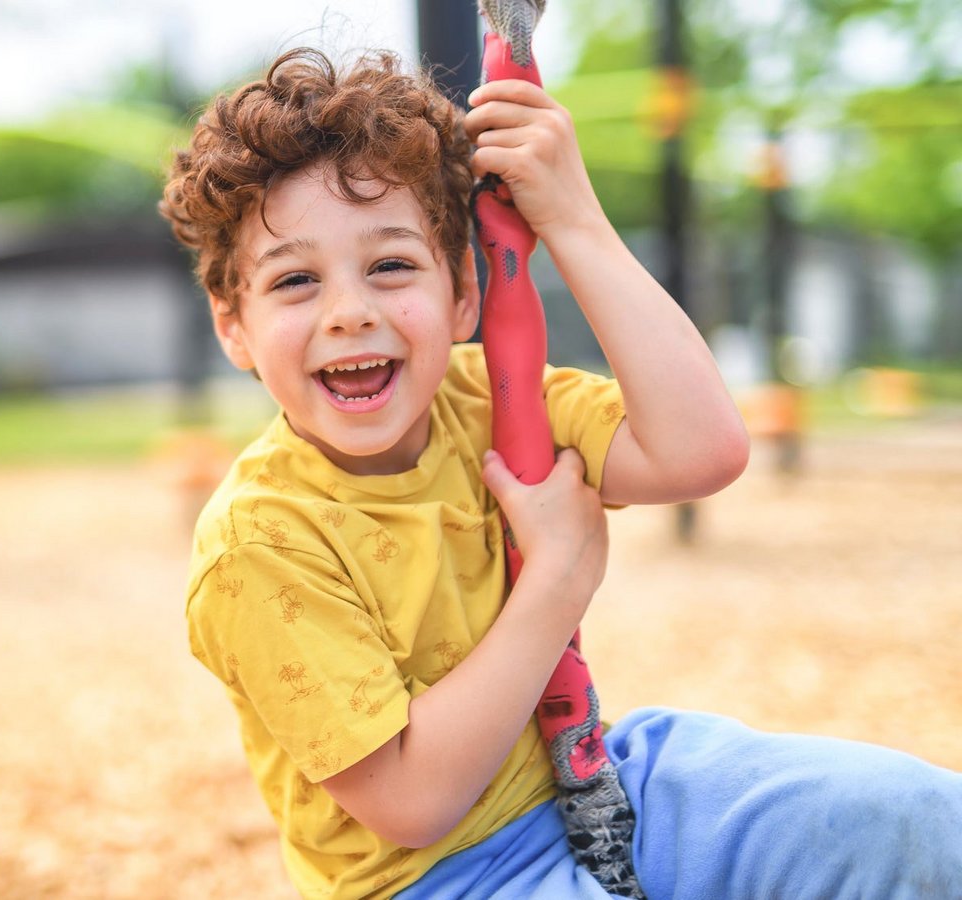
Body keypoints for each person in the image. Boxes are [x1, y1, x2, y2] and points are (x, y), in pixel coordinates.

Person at [159, 47, 962, 900]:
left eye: (391, 265)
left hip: (604, 772)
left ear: (463, 291)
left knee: (910, 815)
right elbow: (413, 800)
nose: (349, 311)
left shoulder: (494, 400)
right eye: (294, 280)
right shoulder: (260, 541)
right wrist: (558, 580)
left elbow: (703, 450)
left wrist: (574, 218)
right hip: (437, 878)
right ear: (233, 325)